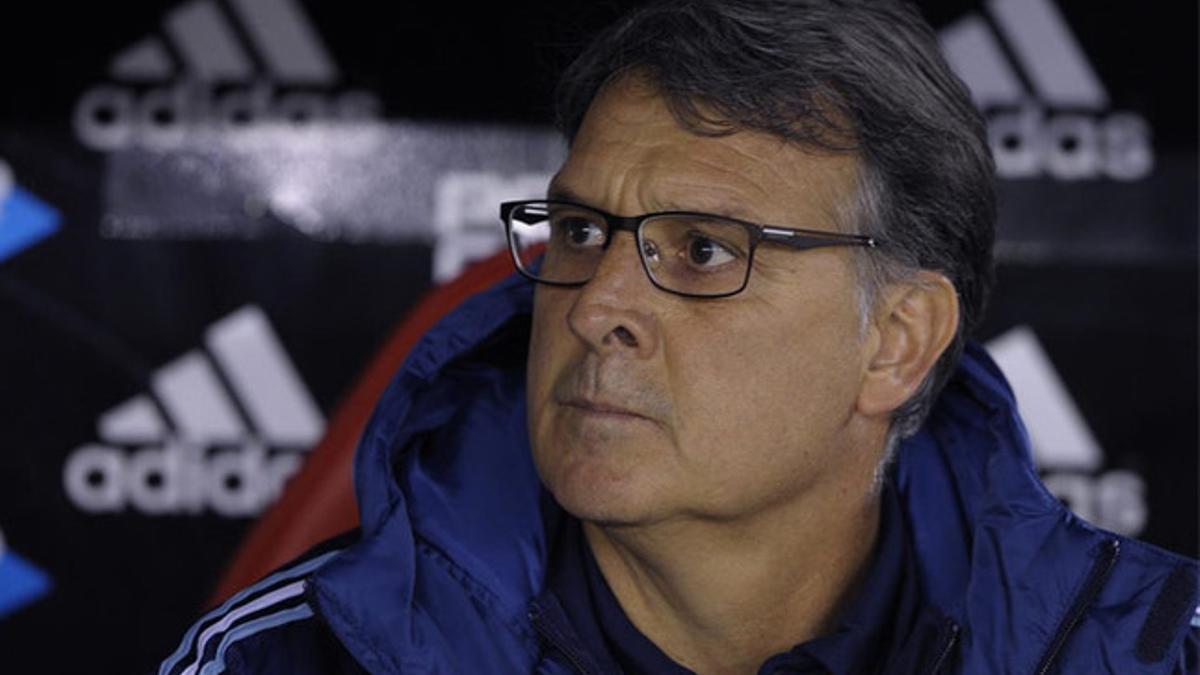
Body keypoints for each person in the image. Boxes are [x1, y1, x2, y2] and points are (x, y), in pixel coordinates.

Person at [158, 0, 1199, 673]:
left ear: (896, 341)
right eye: (578, 231)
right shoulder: (288, 661)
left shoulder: (1152, 653)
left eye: (703, 250)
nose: (596, 303)